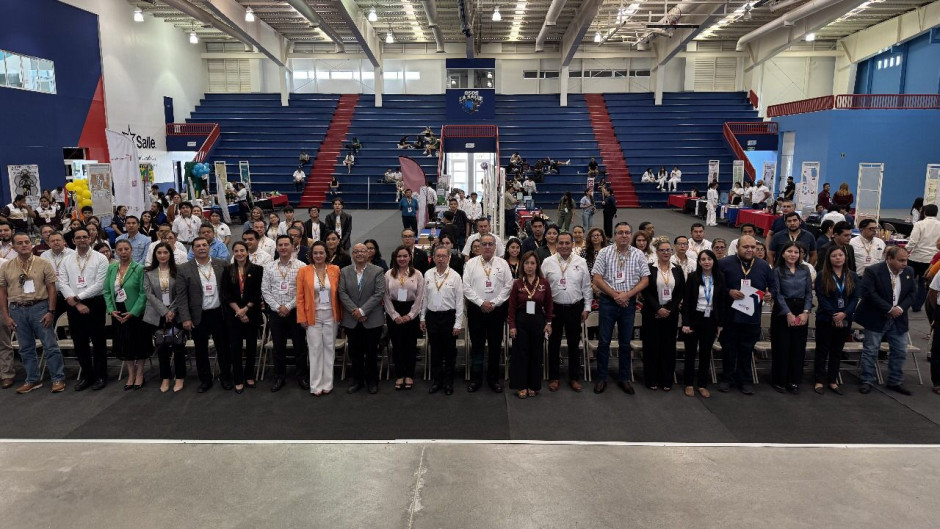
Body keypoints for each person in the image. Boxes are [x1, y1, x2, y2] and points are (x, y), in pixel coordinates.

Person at [0, 233, 66, 393]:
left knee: (50, 345)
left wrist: (51, 311)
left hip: (40, 307)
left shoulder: (43, 263)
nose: (24, 245)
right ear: (13, 247)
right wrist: (6, 316)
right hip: (16, 309)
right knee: (25, 348)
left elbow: (51, 289)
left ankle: (58, 378)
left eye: (27, 242)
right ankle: (33, 379)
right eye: (20, 243)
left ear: (31, 244)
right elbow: (2, 292)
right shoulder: (6, 266)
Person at [590, 222, 649, 394]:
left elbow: (645, 280)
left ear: (630, 235)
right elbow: (597, 278)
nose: (624, 235)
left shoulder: (638, 254)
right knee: (604, 341)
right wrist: (616, 295)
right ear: (614, 235)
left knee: (625, 342)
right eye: (620, 232)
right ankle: (602, 378)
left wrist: (628, 295)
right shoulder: (605, 252)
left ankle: (624, 378)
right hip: (608, 302)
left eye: (627, 232)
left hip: (628, 303)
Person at [717, 235, 777, 395]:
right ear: (737, 248)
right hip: (730, 316)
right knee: (729, 349)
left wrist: (770, 294)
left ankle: (745, 380)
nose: (750, 250)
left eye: (753, 247)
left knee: (747, 349)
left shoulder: (763, 265)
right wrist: (729, 291)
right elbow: (715, 287)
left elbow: (773, 286)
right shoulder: (724, 263)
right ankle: (727, 378)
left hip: (752, 317)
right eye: (746, 247)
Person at [855, 246, 917, 395]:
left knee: (900, 350)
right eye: (901, 260)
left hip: (898, 318)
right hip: (876, 316)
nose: (904, 263)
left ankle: (895, 381)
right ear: (889, 258)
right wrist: (889, 309)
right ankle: (867, 380)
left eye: (906, 260)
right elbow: (869, 293)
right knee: (871, 350)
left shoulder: (908, 271)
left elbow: (912, 293)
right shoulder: (873, 271)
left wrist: (900, 308)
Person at [176, 237, 232, 393]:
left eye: (204, 245)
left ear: (209, 247)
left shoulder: (222, 264)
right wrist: (185, 318)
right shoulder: (184, 268)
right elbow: (181, 296)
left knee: (223, 348)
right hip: (198, 315)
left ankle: (226, 377)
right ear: (193, 249)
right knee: (200, 350)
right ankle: (205, 380)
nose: (201, 248)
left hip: (219, 313)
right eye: (198, 246)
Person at [57, 227, 109, 391]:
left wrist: (78, 298)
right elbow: (62, 283)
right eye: (78, 237)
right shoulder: (66, 260)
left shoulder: (100, 258)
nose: (82, 240)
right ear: (73, 241)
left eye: (85, 237)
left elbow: (100, 284)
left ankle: (101, 375)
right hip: (73, 304)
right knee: (79, 342)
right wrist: (76, 302)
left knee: (98, 341)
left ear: (90, 239)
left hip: (95, 303)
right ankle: (87, 375)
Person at [541, 232, 591, 392]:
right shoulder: (547, 262)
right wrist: (543, 309)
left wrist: (587, 307)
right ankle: (554, 377)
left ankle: (574, 378)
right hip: (554, 309)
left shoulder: (581, 262)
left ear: (572, 244)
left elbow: (586, 286)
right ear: (556, 245)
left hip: (574, 308)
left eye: (567, 243)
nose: (564, 246)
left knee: (573, 344)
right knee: (554, 344)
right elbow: (542, 287)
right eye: (561, 243)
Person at [463, 233, 513, 393]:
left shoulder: (503, 264)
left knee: (495, 346)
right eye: (483, 244)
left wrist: (495, 302)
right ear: (478, 246)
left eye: (490, 244)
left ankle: (493, 379)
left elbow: (508, 286)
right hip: (476, 310)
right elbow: (466, 287)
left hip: (496, 311)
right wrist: (480, 302)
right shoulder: (470, 264)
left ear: (495, 246)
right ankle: (476, 379)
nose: (487, 247)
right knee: (477, 346)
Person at [338, 243, 386, 394]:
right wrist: (355, 311)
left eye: (363, 251)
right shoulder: (344, 271)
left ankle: (372, 381)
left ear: (368, 254)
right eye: (356, 251)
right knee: (355, 353)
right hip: (352, 319)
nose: (359, 254)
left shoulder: (377, 271)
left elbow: (379, 293)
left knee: (371, 352)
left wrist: (362, 311)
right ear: (352, 255)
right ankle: (357, 381)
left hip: (372, 319)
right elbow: (342, 293)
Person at [261, 235, 307, 392]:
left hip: (295, 312)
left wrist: (288, 306)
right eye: (280, 245)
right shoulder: (269, 267)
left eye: (286, 244)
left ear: (292, 247)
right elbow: (265, 290)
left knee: (299, 346)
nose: (283, 247)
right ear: (276, 248)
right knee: (278, 347)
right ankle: (279, 377)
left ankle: (301, 376)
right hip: (276, 313)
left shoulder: (301, 266)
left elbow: (302, 291)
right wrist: (277, 307)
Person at [639, 237, 685, 391]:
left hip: (670, 314)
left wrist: (669, 308)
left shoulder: (677, 269)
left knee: (668, 347)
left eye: (668, 250)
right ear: (656, 252)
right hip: (652, 313)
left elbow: (680, 291)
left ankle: (666, 380)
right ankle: (651, 379)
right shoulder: (649, 268)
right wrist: (658, 308)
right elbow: (645, 290)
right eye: (662, 250)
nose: (666, 253)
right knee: (651, 346)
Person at [297, 241, 341, 396]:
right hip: (312, 316)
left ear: (326, 254)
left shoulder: (335, 269)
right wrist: (301, 317)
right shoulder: (304, 271)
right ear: (311, 255)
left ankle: (328, 383)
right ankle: (315, 385)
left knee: (329, 348)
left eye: (321, 253)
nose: (318, 255)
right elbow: (300, 296)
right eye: (315, 253)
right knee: (315, 349)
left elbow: (339, 293)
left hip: (331, 315)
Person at [104, 240, 149, 391]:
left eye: (126, 249)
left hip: (135, 312)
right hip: (118, 311)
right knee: (125, 344)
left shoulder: (139, 268)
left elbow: (143, 293)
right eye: (120, 249)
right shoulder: (111, 268)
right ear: (115, 251)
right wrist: (111, 310)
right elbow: (106, 291)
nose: (123, 252)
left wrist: (134, 312)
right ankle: (131, 374)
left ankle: (140, 374)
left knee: (139, 343)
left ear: (131, 250)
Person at [507, 251, 553, 399]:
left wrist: (548, 323)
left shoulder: (544, 283)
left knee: (536, 354)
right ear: (522, 265)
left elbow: (549, 305)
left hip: (538, 321)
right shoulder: (517, 283)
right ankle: (521, 385)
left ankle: (534, 385)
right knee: (520, 354)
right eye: (526, 263)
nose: (529, 266)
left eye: (532, 263)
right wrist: (512, 325)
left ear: (537, 265)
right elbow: (512, 307)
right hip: (521, 321)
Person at [814, 245, 859, 396]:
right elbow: (821, 298)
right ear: (829, 258)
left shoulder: (852, 275)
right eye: (834, 256)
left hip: (845, 318)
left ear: (845, 258)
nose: (838, 258)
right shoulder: (822, 275)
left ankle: (832, 380)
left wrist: (844, 314)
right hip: (826, 318)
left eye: (840, 255)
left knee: (837, 351)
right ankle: (819, 380)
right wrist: (834, 315)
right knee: (822, 350)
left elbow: (854, 298)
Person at [770, 241, 814, 394]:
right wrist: (788, 313)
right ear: (783, 253)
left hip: (801, 309)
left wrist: (806, 312)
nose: (793, 255)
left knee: (798, 348)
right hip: (783, 311)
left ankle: (794, 380)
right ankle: (779, 380)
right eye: (789, 251)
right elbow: (777, 294)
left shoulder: (805, 270)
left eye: (796, 252)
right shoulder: (777, 271)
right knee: (782, 347)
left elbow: (809, 293)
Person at [221, 241, 263, 394]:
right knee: (235, 348)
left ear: (247, 252)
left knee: (251, 346)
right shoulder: (227, 270)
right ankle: (238, 378)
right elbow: (226, 293)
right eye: (236, 251)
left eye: (242, 250)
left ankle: (249, 375)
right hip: (234, 315)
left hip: (251, 313)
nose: (239, 253)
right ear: (233, 253)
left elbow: (258, 292)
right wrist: (239, 311)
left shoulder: (257, 269)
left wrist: (246, 309)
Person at [422, 246, 464, 396]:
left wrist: (458, 323)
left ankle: (448, 382)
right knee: (435, 351)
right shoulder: (428, 274)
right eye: (438, 256)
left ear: (449, 258)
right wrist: (422, 317)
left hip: (449, 317)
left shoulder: (455, 276)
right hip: (432, 317)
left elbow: (460, 302)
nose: (441, 259)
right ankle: (437, 381)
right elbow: (424, 298)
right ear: (433, 258)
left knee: (449, 352)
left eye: (443, 256)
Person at [681, 249, 723, 398]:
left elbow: (722, 302)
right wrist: (685, 323)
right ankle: (688, 384)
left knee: (706, 353)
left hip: (711, 319)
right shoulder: (693, 277)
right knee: (690, 353)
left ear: (714, 261)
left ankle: (702, 384)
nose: (706, 262)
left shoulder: (720, 277)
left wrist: (720, 323)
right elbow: (686, 302)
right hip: (694, 318)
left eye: (709, 259)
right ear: (699, 262)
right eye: (703, 259)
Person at [384, 246, 425, 391]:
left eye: (405, 256)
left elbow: (420, 297)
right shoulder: (389, 274)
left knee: (410, 345)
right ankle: (400, 374)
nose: (402, 259)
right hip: (394, 311)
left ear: (410, 257)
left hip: (411, 311)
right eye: (399, 256)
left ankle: (409, 375)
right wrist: (394, 315)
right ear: (395, 258)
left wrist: (411, 315)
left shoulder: (417, 274)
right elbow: (385, 296)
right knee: (397, 345)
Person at [905, 204, 940, 312]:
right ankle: (917, 306)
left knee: (908, 281)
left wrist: (905, 250)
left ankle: (905, 303)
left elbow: (913, 241)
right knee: (924, 284)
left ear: (924, 212)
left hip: (916, 257)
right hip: (931, 260)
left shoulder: (919, 224)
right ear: (936, 213)